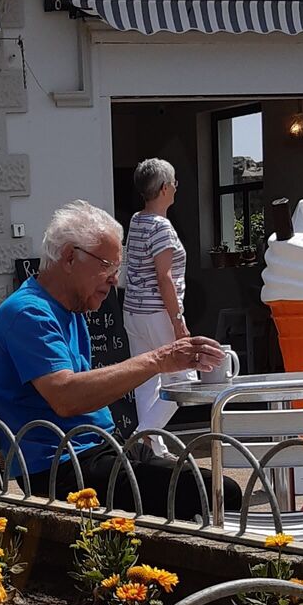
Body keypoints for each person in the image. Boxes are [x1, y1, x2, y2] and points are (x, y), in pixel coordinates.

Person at [0, 201, 224, 514]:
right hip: (64, 468)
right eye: (107, 266)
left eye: (117, 269)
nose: (114, 280)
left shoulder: (71, 308)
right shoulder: (29, 314)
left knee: (210, 485)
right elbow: (66, 397)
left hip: (96, 449)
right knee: (215, 493)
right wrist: (159, 360)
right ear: (69, 258)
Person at [121, 158, 189, 443]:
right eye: (174, 183)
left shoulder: (137, 220)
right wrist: (178, 321)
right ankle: (143, 437)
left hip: (133, 311)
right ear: (164, 188)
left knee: (147, 379)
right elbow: (165, 278)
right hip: (157, 312)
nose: (176, 188)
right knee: (183, 381)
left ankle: (153, 448)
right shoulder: (162, 227)